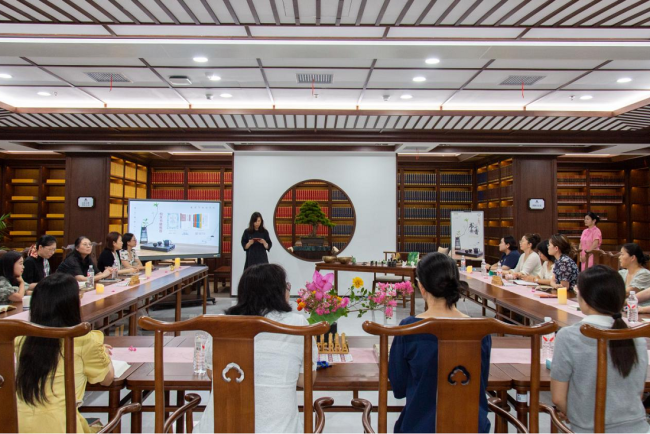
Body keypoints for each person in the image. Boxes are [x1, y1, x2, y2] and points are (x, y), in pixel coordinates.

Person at [197, 263, 317, 433]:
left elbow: (212, 373)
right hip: (279, 429)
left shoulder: (222, 323)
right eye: (287, 286)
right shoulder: (297, 324)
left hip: (221, 428)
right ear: (278, 292)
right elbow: (305, 381)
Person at [389, 252, 491, 433]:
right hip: (472, 427)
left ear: (421, 287)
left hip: (421, 427)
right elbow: (481, 382)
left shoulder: (409, 328)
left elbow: (399, 387)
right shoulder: (480, 330)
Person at [551, 265, 649, 433]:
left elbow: (558, 398)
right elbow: (637, 394)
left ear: (585, 298)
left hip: (589, 428)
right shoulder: (637, 337)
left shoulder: (569, 336)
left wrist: (575, 414)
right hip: (639, 428)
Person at [14, 273, 115, 433]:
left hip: (16, 424)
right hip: (62, 425)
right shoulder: (83, 339)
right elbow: (107, 379)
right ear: (71, 305)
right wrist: (103, 352)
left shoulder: (20, 339)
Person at [618, 243, 650, 312]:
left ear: (632, 258)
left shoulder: (645, 274)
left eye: (622, 254)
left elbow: (628, 293)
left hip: (642, 313)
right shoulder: (622, 273)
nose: (619, 257)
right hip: (628, 310)